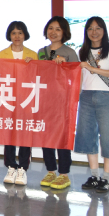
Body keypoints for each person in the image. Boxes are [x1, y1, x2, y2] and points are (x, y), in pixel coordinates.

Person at [75, 16, 109, 193]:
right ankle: (94, 176)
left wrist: (92, 68)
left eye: (98, 28)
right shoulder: (82, 51)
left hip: (107, 97)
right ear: (86, 31)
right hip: (86, 96)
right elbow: (81, 77)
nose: (94, 32)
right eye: (90, 28)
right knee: (88, 136)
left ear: (104, 30)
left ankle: (106, 179)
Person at [36, 16, 78, 190]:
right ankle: (51, 171)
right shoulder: (41, 52)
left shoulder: (69, 52)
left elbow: (76, 77)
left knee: (62, 137)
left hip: (63, 102)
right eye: (51, 28)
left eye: (58, 29)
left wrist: (65, 65)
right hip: (44, 100)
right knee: (46, 137)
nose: (53, 32)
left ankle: (64, 174)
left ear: (64, 33)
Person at [0, 21, 37, 187]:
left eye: (20, 32)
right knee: (10, 133)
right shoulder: (2, 54)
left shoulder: (33, 55)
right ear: (9, 35)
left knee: (25, 133)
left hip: (26, 99)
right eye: (13, 33)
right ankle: (11, 167)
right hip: (8, 99)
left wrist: (33, 65)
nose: (17, 36)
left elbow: (37, 78)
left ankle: (23, 168)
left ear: (25, 34)